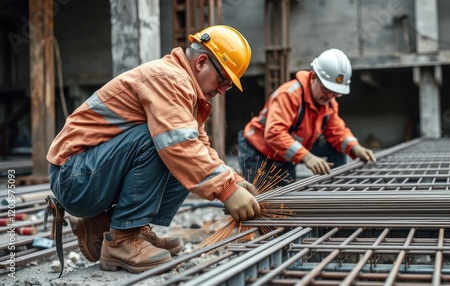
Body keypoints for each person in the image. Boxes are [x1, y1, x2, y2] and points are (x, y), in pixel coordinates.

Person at [46, 25, 260, 273]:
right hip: (73, 178)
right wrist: (226, 191)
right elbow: (179, 145)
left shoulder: (186, 90)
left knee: (186, 157)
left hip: (90, 173)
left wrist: (232, 180)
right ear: (201, 62)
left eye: (228, 86)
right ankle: (123, 239)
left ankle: (126, 227)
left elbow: (199, 148)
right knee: (165, 142)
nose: (223, 90)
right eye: (223, 80)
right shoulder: (169, 78)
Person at [238, 48, 376, 186]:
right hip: (258, 150)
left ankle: (334, 189)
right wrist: (307, 157)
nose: (330, 96)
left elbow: (337, 131)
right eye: (326, 89)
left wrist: (355, 147)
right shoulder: (289, 95)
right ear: (314, 77)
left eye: (336, 93)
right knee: (264, 201)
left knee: (336, 148)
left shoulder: (328, 103)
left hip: (285, 151)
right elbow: (275, 133)